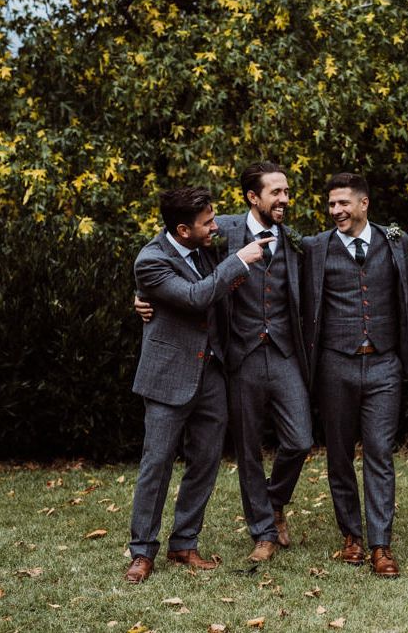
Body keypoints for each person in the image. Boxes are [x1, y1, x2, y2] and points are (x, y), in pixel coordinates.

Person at [135, 162, 313, 564]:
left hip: (282, 352)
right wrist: (142, 293)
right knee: (243, 450)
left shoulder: (298, 240)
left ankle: (269, 504)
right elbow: (166, 251)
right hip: (237, 356)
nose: (284, 199)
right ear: (253, 198)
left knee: (299, 439)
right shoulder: (223, 232)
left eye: (287, 191)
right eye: (276, 193)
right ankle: (260, 533)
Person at [126, 187, 272, 583]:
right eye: (207, 223)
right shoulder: (151, 260)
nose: (215, 226)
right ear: (182, 229)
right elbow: (194, 297)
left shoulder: (207, 245)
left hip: (211, 374)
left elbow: (248, 222)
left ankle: (184, 543)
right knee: (156, 465)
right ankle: (142, 552)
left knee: (205, 463)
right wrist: (238, 262)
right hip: (167, 376)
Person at [301, 172, 408, 578]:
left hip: (384, 364)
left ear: (364, 204)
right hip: (335, 365)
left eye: (343, 203)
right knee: (340, 455)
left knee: (380, 453)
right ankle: (351, 535)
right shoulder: (315, 248)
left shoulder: (397, 242)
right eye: (331, 205)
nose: (336, 211)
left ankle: (381, 544)